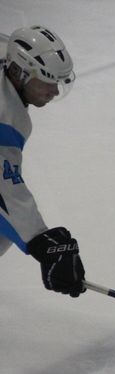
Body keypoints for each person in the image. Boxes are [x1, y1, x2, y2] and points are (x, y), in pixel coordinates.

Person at [1, 25, 85, 297]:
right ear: (19, 72)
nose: (54, 91)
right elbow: (5, 188)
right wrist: (42, 242)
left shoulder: (8, 58)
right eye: (47, 81)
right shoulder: (6, 117)